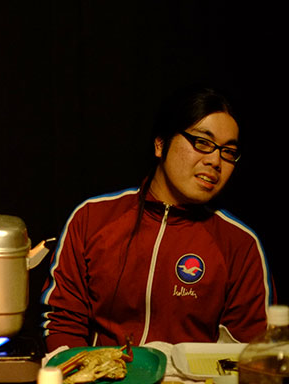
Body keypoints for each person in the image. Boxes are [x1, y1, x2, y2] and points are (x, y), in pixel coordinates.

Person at [40, 85, 273, 351]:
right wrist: (83, 369)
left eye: (228, 152)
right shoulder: (93, 218)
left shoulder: (239, 244)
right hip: (101, 372)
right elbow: (62, 321)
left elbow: (249, 349)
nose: (215, 161)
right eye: (203, 143)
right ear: (160, 144)